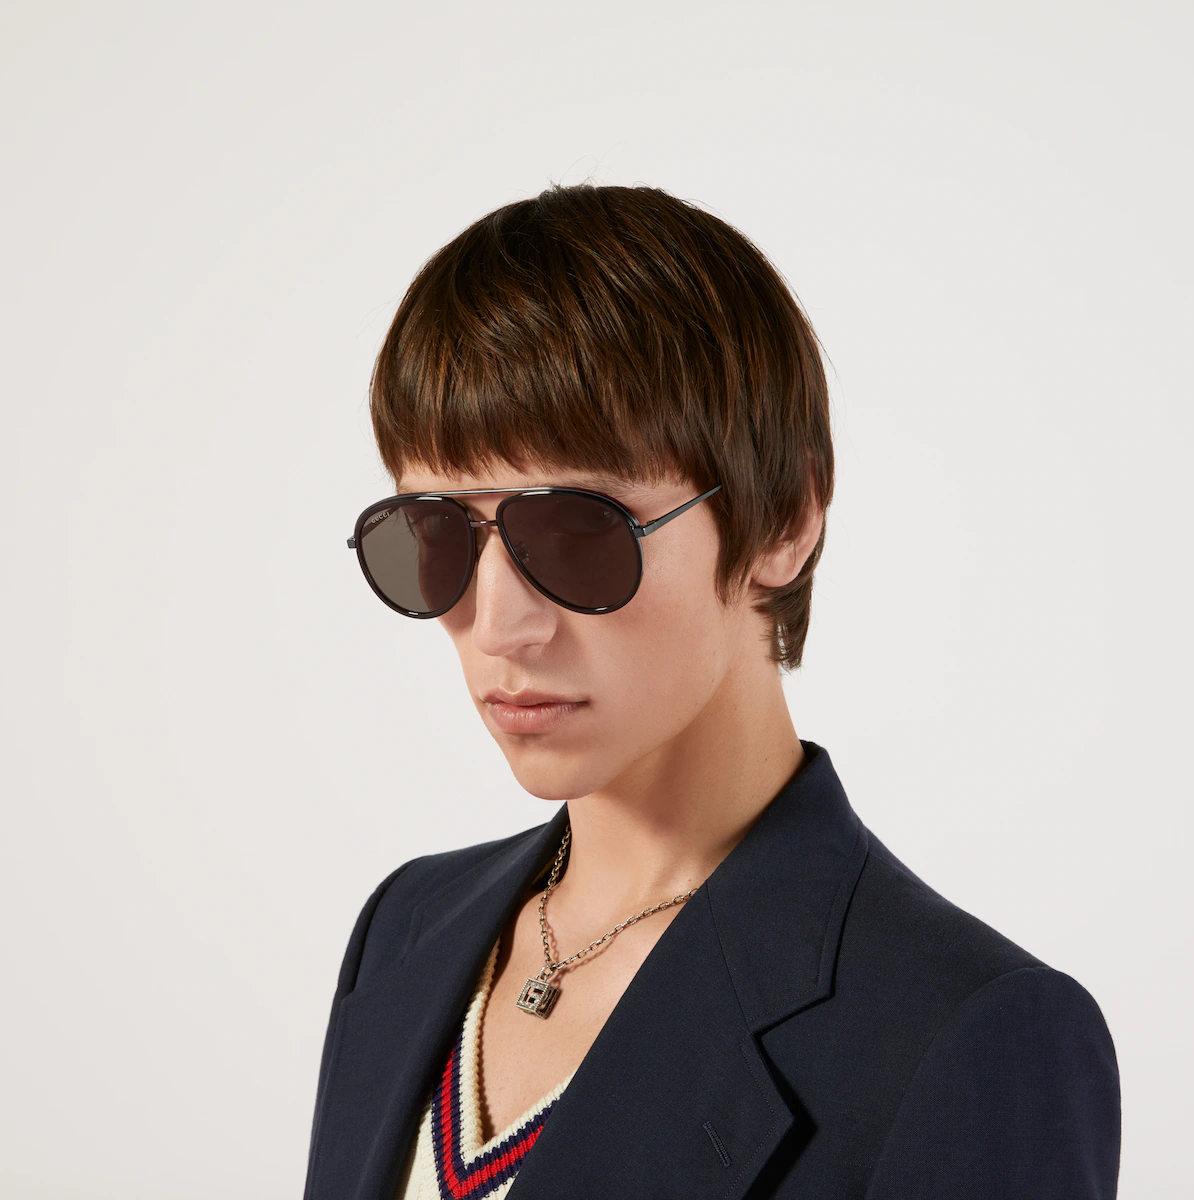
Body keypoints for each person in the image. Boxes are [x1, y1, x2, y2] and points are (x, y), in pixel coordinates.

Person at [303, 183, 1121, 1200]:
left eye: (578, 531)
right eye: (433, 534)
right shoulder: (406, 930)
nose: (499, 625)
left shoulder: (968, 1036)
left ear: (784, 522)